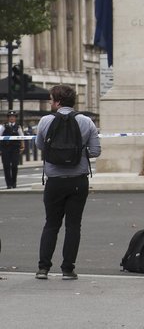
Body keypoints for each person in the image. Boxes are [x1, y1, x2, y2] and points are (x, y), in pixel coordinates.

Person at [35, 85, 101, 280]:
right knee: (73, 225)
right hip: (78, 181)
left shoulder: (45, 121)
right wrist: (78, 154)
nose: (50, 102)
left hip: (54, 180)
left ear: (57, 101)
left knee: (51, 224)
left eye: (50, 99)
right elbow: (96, 151)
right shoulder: (86, 121)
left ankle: (43, 268)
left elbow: (40, 145)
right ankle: (67, 269)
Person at [1, 110, 25, 189]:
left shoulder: (18, 127)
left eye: (13, 117)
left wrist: (22, 146)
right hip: (6, 149)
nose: (12, 118)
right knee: (6, 166)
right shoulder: (3, 126)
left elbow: (22, 137)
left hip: (15, 149)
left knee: (15, 166)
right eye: (10, 117)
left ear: (15, 118)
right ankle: (8, 184)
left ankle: (14, 182)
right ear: (8, 118)